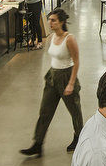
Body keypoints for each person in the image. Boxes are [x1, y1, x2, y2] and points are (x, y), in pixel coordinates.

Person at [20, 9, 84, 156]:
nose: (50, 23)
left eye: (53, 20)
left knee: (75, 111)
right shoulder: (52, 37)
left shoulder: (69, 39)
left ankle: (79, 137)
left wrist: (71, 83)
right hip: (52, 77)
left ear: (61, 22)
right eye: (49, 20)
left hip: (66, 76)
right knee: (45, 111)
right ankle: (38, 143)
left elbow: (76, 61)